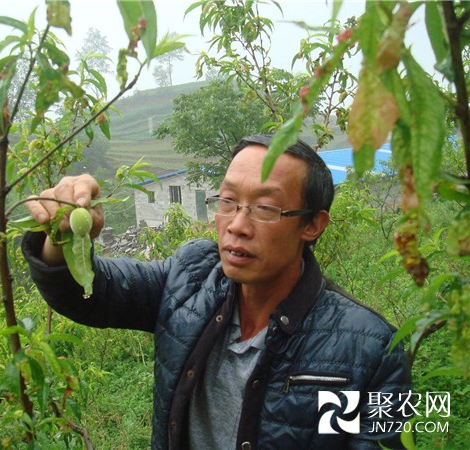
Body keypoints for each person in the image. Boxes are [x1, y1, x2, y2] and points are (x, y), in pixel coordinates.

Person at [22, 134, 412, 450]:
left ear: (312, 225)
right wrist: (65, 234)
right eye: (227, 201)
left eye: (265, 208)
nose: (236, 225)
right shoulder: (189, 277)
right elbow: (90, 294)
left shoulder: (372, 351)